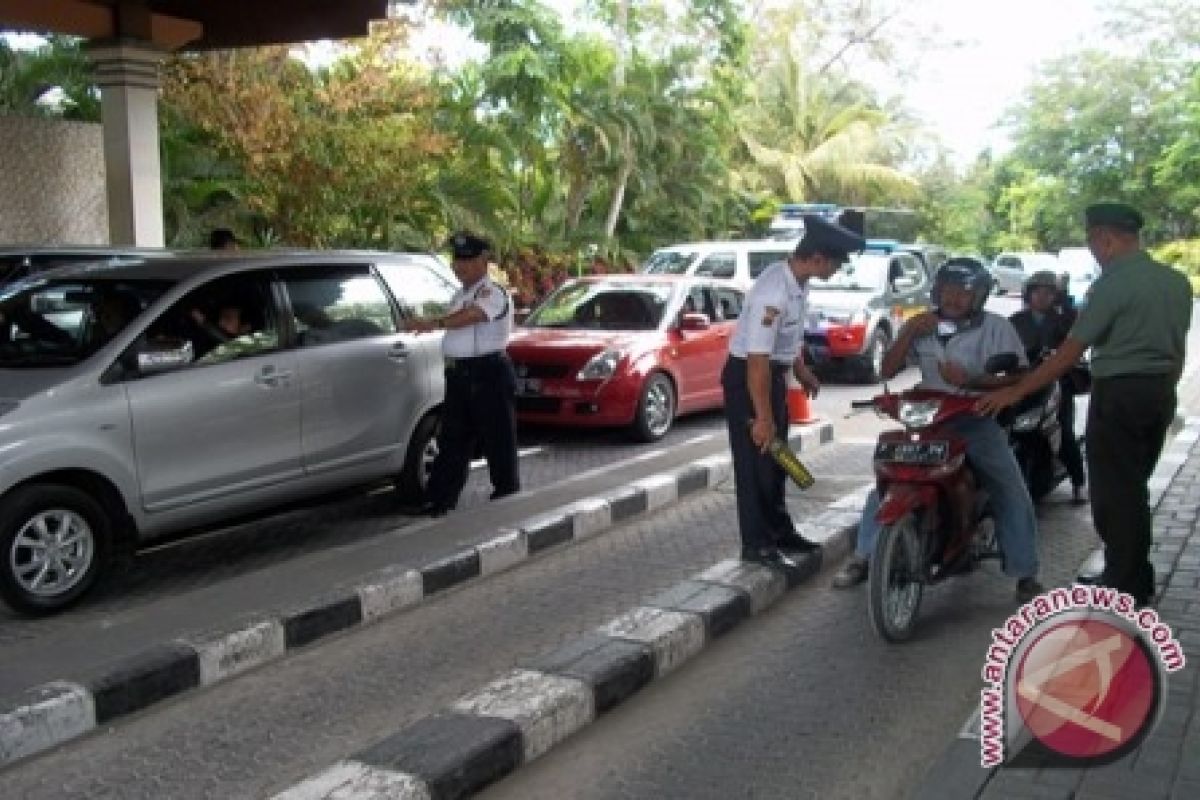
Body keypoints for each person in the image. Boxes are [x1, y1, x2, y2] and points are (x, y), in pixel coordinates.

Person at [978, 202, 1192, 606]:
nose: (1093, 249)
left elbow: (1068, 353)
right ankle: (1133, 573)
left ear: (1106, 239)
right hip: (1160, 391)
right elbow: (1178, 350)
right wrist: (1165, 386)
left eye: (1093, 241)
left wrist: (1014, 392)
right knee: (1133, 488)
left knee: (1114, 493)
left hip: (1120, 395)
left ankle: (1123, 582)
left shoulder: (1112, 285)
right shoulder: (1176, 283)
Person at [833, 257, 1045, 602]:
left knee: (1009, 487)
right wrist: (908, 333)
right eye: (947, 290)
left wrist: (974, 380)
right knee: (888, 481)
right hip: (929, 416)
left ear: (978, 296)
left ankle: (1025, 572)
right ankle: (864, 556)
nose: (953, 299)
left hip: (976, 417)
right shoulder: (923, 324)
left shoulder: (996, 327)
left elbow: (1020, 375)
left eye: (963, 292)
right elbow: (887, 370)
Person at [722, 215, 864, 568]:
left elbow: (788, 338)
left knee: (777, 461)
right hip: (749, 381)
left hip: (772, 377)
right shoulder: (774, 291)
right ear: (817, 258)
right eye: (834, 263)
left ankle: (780, 530)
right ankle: (756, 544)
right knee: (756, 465)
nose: (835, 270)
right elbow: (756, 359)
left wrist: (802, 372)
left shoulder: (798, 283)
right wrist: (763, 418)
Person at [403, 231, 519, 516]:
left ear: (483, 261)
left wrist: (434, 323)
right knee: (452, 439)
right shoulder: (460, 295)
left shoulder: (492, 292)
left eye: (467, 260)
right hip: (459, 374)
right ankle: (439, 501)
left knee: (498, 438)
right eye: (457, 260)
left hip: (488, 371)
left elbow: (474, 316)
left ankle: (507, 499)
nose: (459, 266)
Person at [1008, 270, 1087, 503]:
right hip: (1023, 383)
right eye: (1037, 292)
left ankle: (1078, 481)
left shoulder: (1066, 319)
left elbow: (1078, 338)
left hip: (1058, 384)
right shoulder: (1015, 321)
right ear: (1028, 294)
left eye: (1048, 292)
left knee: (1064, 431)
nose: (1042, 297)